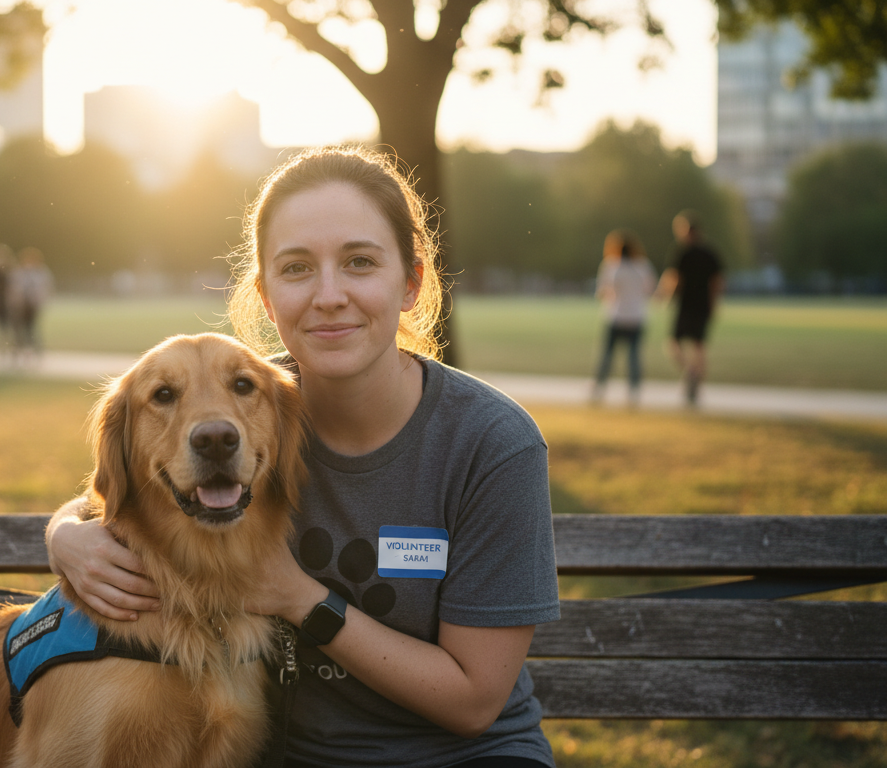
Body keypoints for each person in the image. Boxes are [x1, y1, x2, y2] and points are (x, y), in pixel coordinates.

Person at [45, 147, 560, 768]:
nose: (329, 295)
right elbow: (143, 477)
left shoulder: (493, 444)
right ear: (266, 297)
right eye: (296, 269)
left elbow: (474, 702)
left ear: (411, 283)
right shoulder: (252, 402)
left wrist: (301, 599)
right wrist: (65, 532)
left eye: (360, 262)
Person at [657, 211, 724, 406]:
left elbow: (675, 279)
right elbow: (717, 282)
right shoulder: (709, 253)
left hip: (687, 305)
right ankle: (695, 379)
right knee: (698, 346)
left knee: (674, 343)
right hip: (701, 305)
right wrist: (714, 304)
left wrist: (666, 297)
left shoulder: (683, 253)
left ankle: (691, 373)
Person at [591, 229, 657, 406]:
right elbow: (649, 290)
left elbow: (602, 292)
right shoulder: (643, 266)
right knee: (634, 357)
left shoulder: (611, 266)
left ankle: (598, 390)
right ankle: (634, 393)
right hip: (637, 317)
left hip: (616, 316)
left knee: (607, 356)